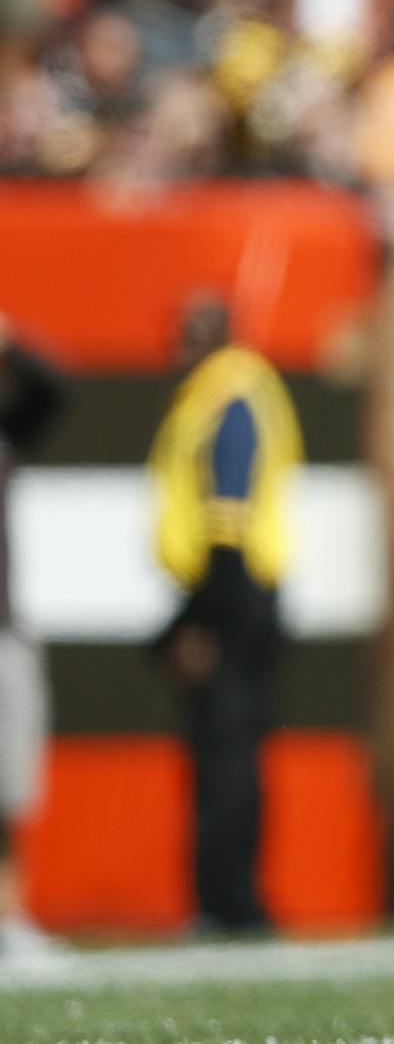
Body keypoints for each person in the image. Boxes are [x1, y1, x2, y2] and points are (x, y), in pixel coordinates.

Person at [148, 297, 302, 934]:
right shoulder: (217, 393)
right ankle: (224, 898)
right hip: (226, 588)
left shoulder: (230, 396)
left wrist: (196, 621)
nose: (178, 350)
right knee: (222, 752)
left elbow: (227, 523)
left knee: (226, 754)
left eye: (189, 336)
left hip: (233, 592)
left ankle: (231, 901)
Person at [0, 319, 64, 965]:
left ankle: (9, 916)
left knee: (8, 786)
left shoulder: (6, 431)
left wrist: (10, 343)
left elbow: (55, 390)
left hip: (3, 630)